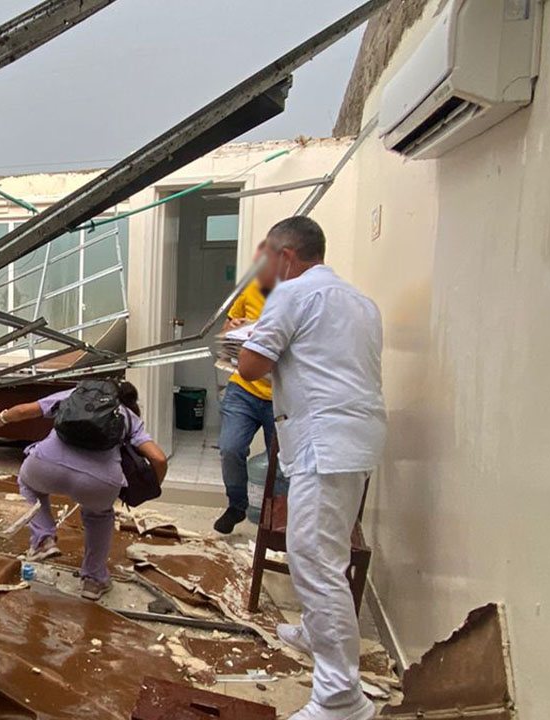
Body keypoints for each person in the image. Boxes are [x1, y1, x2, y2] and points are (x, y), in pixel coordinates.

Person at [237, 216, 386, 720]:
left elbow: (249, 367)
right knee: (325, 554)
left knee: (313, 559)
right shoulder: (359, 301)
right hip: (355, 436)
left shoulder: (291, 295)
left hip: (326, 440)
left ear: (285, 257)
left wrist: (246, 340)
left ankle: (341, 699)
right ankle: (314, 632)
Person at [0, 381, 168, 600]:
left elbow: (27, 410)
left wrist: (3, 416)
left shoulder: (73, 395)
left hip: (46, 467)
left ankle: (43, 539)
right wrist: (150, 488)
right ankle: (94, 581)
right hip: (98, 483)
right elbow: (158, 458)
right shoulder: (129, 416)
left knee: (28, 484)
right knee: (99, 515)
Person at [215, 241, 277, 534]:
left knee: (281, 462)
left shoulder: (298, 297)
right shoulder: (250, 290)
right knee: (230, 448)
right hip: (243, 389)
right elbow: (226, 333)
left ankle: (274, 517)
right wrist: (235, 327)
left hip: (282, 396)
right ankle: (236, 506)